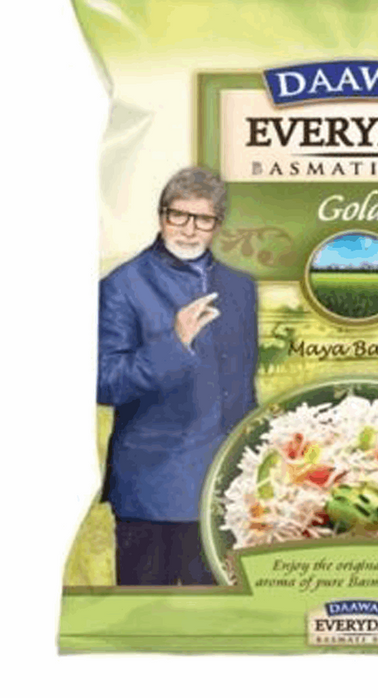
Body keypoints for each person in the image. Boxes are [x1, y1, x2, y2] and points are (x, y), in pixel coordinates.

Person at [96, 166, 258, 585]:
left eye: (202, 219)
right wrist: (176, 342)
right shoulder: (122, 285)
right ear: (161, 216)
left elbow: (243, 386)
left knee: (218, 615)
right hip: (152, 492)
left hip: (225, 490)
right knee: (148, 614)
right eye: (178, 215)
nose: (188, 229)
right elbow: (105, 382)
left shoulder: (241, 288)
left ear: (217, 225)